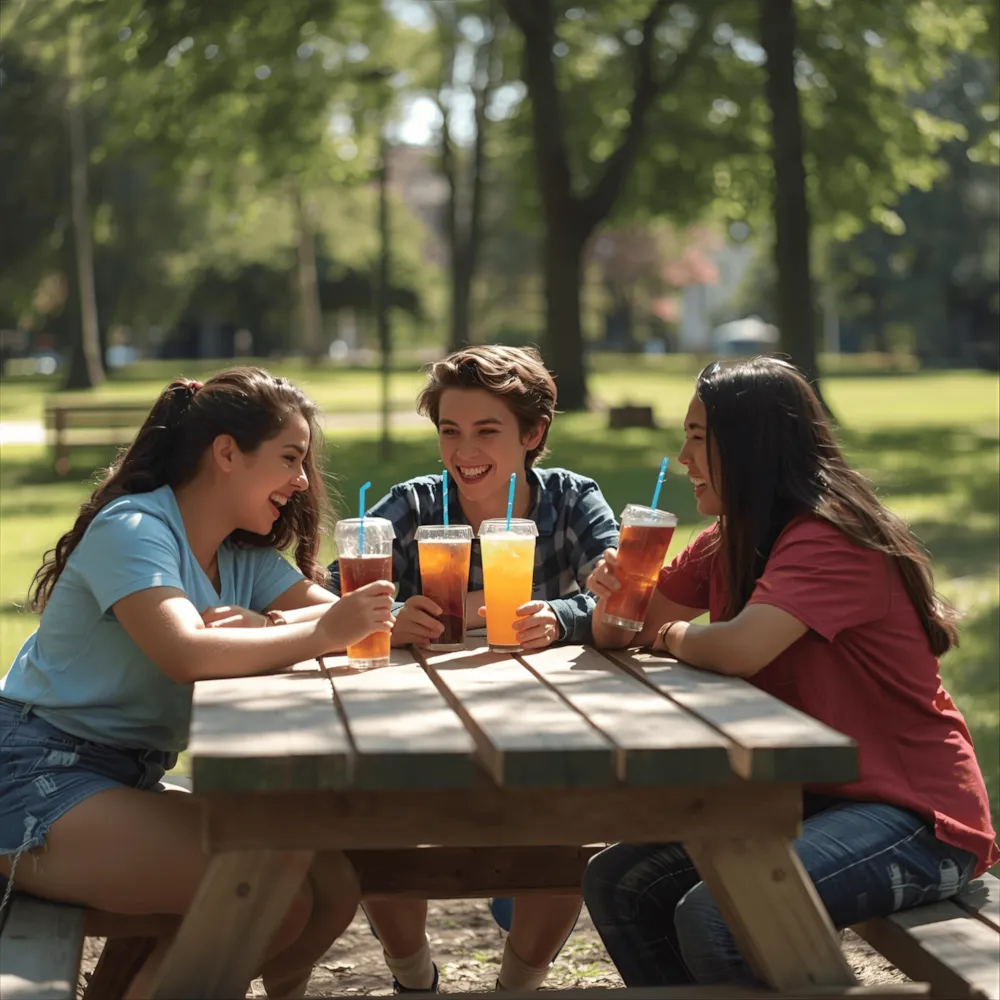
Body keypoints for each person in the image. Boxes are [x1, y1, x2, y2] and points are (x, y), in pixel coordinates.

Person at [583, 356, 1000, 988]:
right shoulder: (730, 538)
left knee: (725, 912)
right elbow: (628, 630)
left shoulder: (829, 536)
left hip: (917, 818)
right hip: (813, 799)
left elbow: (739, 647)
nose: (682, 458)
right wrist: (614, 596)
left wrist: (670, 635)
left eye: (698, 438)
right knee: (621, 883)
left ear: (749, 447)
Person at [0, 368, 394, 999]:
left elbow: (352, 618)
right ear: (227, 454)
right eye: (290, 459)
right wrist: (324, 632)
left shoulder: (240, 557)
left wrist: (336, 620)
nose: (300, 482)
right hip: (32, 772)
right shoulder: (134, 530)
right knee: (268, 898)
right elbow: (184, 651)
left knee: (331, 887)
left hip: (125, 776)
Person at [328, 345, 620, 993]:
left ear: (533, 433)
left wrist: (564, 617)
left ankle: (517, 987)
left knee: (568, 840)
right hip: (414, 734)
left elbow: (620, 586)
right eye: (450, 432)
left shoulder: (572, 503)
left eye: (487, 430)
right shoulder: (412, 507)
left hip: (545, 730)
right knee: (374, 832)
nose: (464, 452)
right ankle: (413, 980)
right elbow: (326, 597)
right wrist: (387, 614)